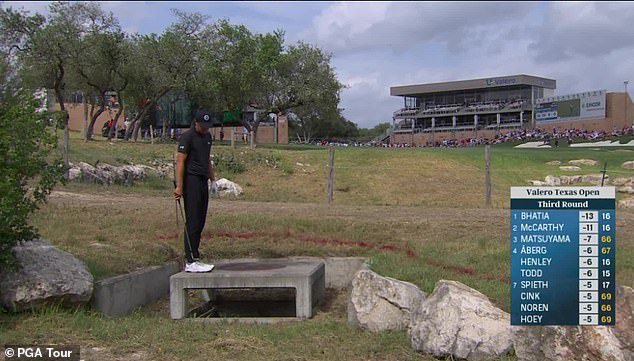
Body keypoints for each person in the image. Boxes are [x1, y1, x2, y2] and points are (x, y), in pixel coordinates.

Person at [174, 110, 216, 273]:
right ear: (195, 123)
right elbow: (180, 162)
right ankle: (190, 260)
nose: (205, 129)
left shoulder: (207, 137)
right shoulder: (187, 137)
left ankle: (196, 256)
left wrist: (213, 179)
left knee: (200, 220)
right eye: (202, 126)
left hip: (202, 180)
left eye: (207, 126)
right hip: (191, 180)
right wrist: (179, 186)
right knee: (192, 220)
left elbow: (207, 160)